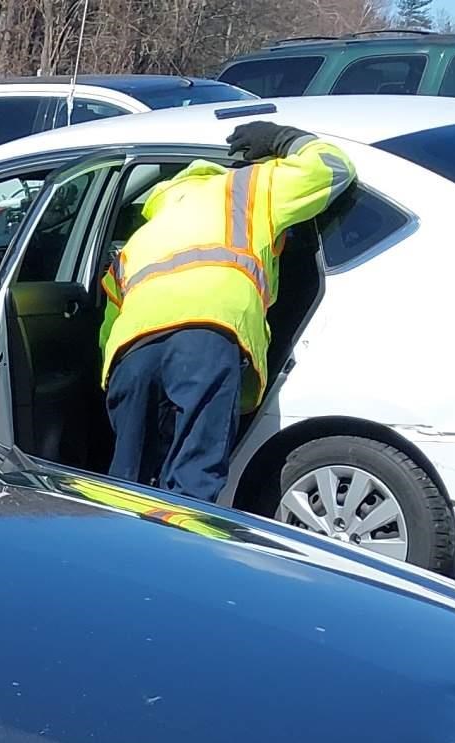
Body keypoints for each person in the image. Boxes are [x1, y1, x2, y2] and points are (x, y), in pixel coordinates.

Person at [98, 121, 353, 504]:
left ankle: (121, 555)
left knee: (126, 483)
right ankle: (190, 560)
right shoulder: (253, 189)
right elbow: (334, 167)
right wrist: (284, 139)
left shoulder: (150, 227)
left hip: (131, 350)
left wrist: (113, 373)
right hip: (209, 333)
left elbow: (108, 323)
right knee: (193, 480)